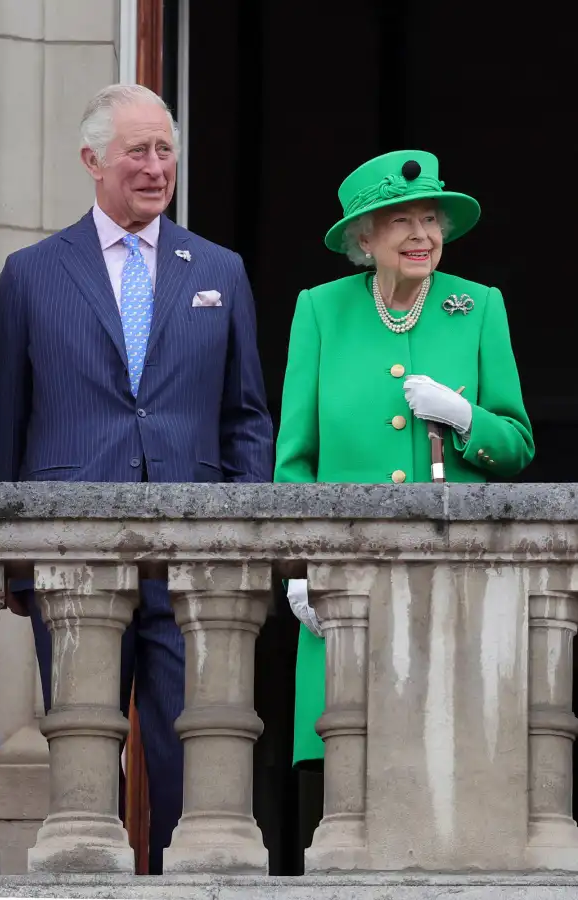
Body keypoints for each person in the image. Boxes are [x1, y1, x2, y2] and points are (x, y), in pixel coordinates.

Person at [0, 83, 273, 873]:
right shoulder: (29, 274)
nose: (156, 168)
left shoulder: (220, 269)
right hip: (73, 556)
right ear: (92, 161)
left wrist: (247, 537)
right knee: (84, 759)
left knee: (195, 754)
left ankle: (188, 887)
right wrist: (9, 558)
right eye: (138, 152)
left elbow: (245, 414)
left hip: (195, 562)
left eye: (165, 151)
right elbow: (6, 425)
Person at [274, 149, 534, 853]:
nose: (422, 234)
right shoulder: (320, 311)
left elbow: (517, 445)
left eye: (430, 219)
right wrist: (299, 567)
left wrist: (465, 417)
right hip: (348, 583)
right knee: (343, 763)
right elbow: (294, 459)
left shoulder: (477, 306)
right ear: (366, 239)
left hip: (452, 579)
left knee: (450, 759)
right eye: (401, 222)